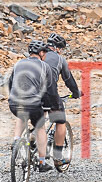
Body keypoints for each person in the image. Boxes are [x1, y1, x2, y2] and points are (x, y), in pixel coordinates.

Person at [8, 40, 59, 172]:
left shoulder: (18, 63)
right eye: (45, 53)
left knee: (21, 115)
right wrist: (54, 105)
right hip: (33, 104)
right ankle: (42, 162)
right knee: (40, 127)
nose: (46, 56)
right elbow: (50, 90)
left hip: (14, 102)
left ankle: (16, 140)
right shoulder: (44, 66)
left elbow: (10, 84)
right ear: (41, 53)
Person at [44, 32, 80, 165]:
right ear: (58, 48)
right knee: (60, 121)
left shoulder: (36, 55)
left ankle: (33, 142)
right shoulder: (60, 60)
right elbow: (69, 80)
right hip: (49, 94)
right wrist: (76, 92)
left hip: (29, 93)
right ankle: (58, 158)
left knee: (39, 118)